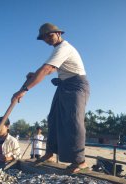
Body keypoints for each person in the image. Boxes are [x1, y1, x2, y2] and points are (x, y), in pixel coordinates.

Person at [11, 22, 90, 174]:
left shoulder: (64, 47)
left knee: (74, 119)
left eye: (50, 35)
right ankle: (49, 153)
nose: (47, 39)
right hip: (64, 85)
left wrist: (24, 90)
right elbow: (51, 69)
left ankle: (80, 160)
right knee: (53, 117)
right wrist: (35, 75)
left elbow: (47, 68)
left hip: (77, 85)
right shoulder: (57, 51)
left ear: (58, 34)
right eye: (44, 38)